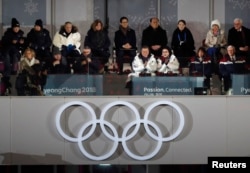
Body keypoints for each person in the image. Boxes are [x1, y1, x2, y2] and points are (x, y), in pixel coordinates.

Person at [1, 18, 26, 91]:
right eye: (15, 27)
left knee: (15, 56)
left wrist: (21, 43)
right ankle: (7, 75)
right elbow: (4, 42)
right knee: (7, 57)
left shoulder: (21, 34)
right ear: (12, 27)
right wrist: (11, 42)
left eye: (18, 27)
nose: (16, 29)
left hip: (15, 52)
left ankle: (14, 73)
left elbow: (23, 44)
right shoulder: (8, 34)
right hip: (7, 51)